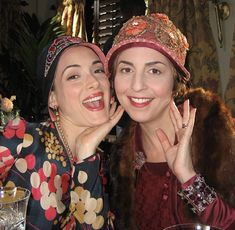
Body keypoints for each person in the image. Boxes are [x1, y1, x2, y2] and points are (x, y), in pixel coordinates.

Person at [106, 13, 235, 229]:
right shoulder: (122, 156)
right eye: (126, 69)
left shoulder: (214, 134)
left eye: (154, 70)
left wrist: (189, 177)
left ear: (176, 81)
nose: (137, 86)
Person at [0, 35, 123, 229]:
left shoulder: (99, 161)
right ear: (53, 99)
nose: (94, 82)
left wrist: (86, 155)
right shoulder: (22, 138)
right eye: (74, 76)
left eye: (98, 70)